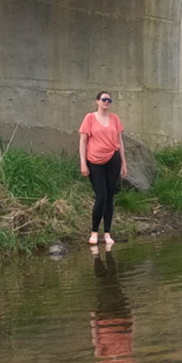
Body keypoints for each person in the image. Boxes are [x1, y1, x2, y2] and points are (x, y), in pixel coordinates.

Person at [78, 90, 127, 246]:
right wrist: (83, 163)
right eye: (104, 99)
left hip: (113, 160)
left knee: (110, 196)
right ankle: (94, 232)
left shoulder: (115, 119)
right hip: (94, 161)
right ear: (97, 101)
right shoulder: (90, 118)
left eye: (109, 100)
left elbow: (120, 142)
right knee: (101, 196)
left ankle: (107, 233)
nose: (107, 102)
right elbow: (83, 142)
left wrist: (124, 163)